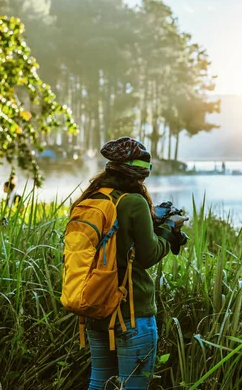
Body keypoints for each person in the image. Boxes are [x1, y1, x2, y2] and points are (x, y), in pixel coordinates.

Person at [72, 137, 189, 390]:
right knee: (133, 385)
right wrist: (169, 230)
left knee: (99, 383)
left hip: (96, 306)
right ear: (140, 174)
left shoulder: (91, 199)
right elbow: (148, 255)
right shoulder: (134, 202)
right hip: (132, 314)